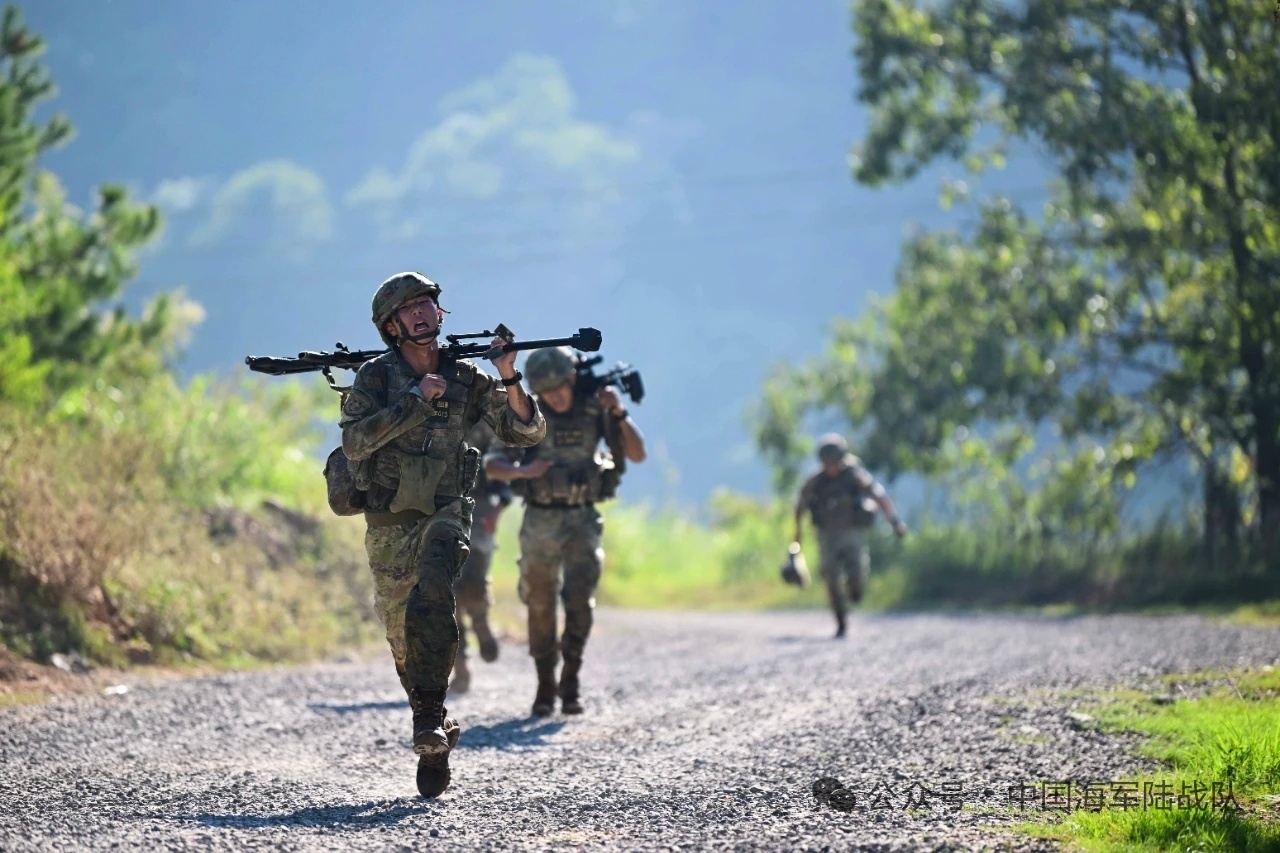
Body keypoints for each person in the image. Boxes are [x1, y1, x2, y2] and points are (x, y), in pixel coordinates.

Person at [340, 271, 546, 798]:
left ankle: (426, 722)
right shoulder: (373, 379)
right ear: (391, 326)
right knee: (407, 644)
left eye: (427, 303)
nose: (421, 312)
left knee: (436, 584)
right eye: (408, 308)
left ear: (439, 313)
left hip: (445, 512)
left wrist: (508, 374)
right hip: (388, 525)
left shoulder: (468, 378)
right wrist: (413, 400)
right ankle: (433, 727)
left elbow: (524, 432)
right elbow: (356, 445)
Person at [483, 346, 646, 717]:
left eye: (561, 388)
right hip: (540, 520)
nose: (555, 398)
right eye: (546, 391)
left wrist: (617, 411)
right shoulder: (528, 415)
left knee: (579, 600)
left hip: (582, 519)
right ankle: (545, 682)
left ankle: (570, 677)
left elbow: (636, 454)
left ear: (573, 379)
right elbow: (492, 464)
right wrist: (525, 471)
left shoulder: (596, 408)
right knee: (539, 602)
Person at [793, 433, 907, 639]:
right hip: (826, 536)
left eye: (834, 463)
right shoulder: (816, 482)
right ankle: (840, 621)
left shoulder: (855, 476)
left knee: (856, 577)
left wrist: (895, 521)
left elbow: (878, 495)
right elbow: (800, 506)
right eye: (826, 463)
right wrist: (797, 537)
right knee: (830, 578)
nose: (831, 468)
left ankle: (855, 591)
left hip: (852, 533)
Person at [448, 418, 513, 694]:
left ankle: (481, 622)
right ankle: (460, 671)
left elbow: (503, 469)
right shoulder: (427, 411)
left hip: (480, 508)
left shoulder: (485, 422)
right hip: (438, 508)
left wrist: (498, 510)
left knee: (473, 585)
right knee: (446, 600)